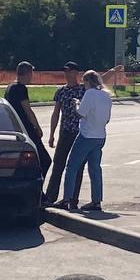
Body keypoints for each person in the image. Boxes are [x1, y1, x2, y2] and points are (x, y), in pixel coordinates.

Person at [63, 70, 113, 212]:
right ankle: (96, 201)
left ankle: (67, 199)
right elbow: (107, 119)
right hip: (100, 136)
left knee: (72, 166)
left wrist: (76, 104)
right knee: (95, 169)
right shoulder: (106, 95)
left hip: (86, 135)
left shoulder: (90, 93)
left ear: (88, 81)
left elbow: (80, 114)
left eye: (84, 82)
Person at [45, 62, 86, 205]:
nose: (66, 74)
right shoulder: (61, 91)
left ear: (76, 73)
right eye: (65, 72)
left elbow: (99, 81)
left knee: (77, 166)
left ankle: (72, 199)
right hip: (65, 132)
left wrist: (113, 71)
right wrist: (51, 134)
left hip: (80, 133)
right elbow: (56, 113)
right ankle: (50, 197)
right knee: (58, 164)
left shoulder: (84, 90)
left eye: (69, 71)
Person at [4, 61, 51, 177]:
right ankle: (37, 183)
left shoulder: (10, 87)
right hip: (26, 128)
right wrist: (37, 127)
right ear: (28, 73)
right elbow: (28, 110)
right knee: (45, 160)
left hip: (15, 127)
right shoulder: (21, 88)